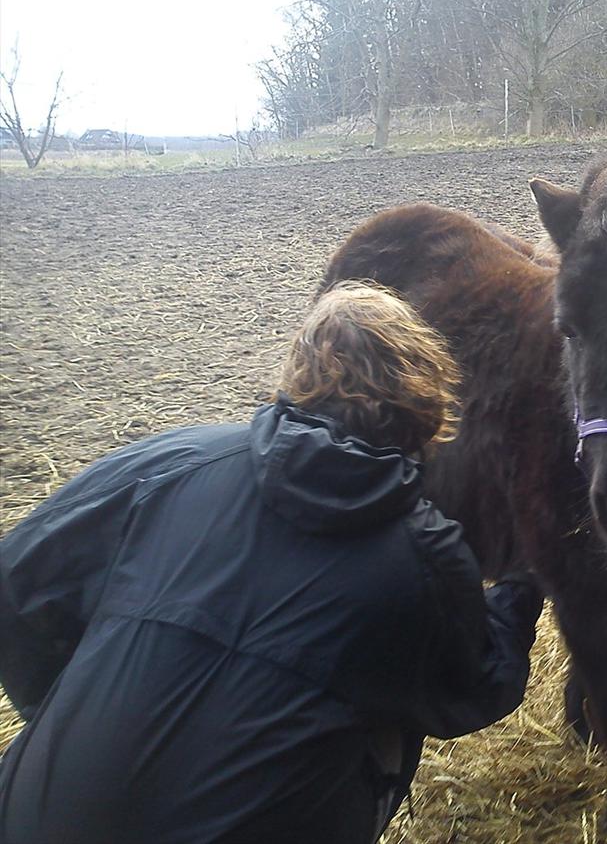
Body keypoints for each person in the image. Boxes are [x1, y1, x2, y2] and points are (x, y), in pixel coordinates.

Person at [0, 281, 544, 844]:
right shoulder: (424, 555)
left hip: (36, 820)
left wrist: (67, 708)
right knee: (393, 714)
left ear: (297, 374)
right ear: (427, 399)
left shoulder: (167, 463)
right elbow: (474, 691)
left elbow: (12, 586)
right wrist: (521, 585)